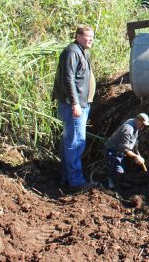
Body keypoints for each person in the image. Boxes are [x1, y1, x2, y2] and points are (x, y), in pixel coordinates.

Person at [51, 24, 96, 189]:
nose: (91, 40)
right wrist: (75, 103)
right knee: (76, 142)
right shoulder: (72, 51)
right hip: (74, 105)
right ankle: (76, 181)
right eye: (87, 36)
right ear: (78, 36)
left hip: (81, 104)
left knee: (71, 141)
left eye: (92, 37)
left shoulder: (82, 51)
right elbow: (68, 78)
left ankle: (67, 177)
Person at [104, 113, 149, 189]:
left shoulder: (136, 125)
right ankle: (110, 185)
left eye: (144, 125)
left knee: (121, 170)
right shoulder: (128, 129)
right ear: (138, 120)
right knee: (117, 171)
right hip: (113, 150)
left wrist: (138, 154)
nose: (143, 127)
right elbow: (124, 149)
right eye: (142, 124)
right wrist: (136, 156)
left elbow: (133, 142)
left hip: (121, 151)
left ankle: (116, 181)